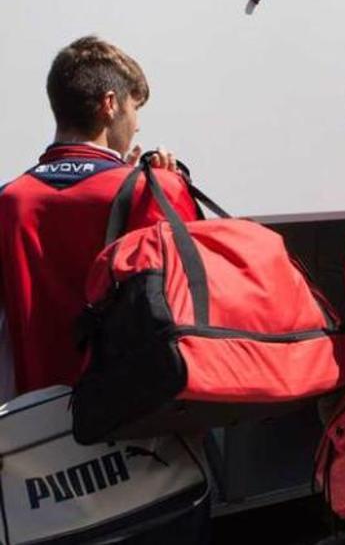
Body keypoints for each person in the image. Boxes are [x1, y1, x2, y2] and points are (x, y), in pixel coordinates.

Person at [0, 36, 204, 544]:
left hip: (39, 460)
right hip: (142, 442)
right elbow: (194, 306)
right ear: (110, 104)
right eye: (135, 108)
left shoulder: (9, 201)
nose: (136, 123)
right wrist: (164, 184)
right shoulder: (151, 187)